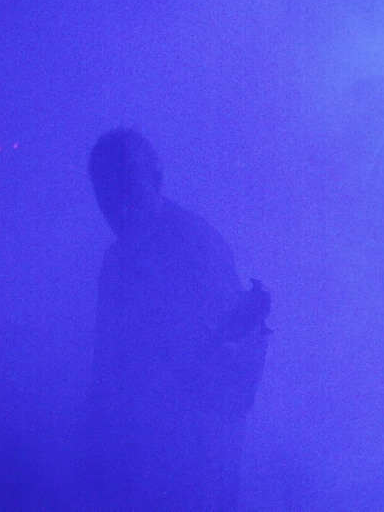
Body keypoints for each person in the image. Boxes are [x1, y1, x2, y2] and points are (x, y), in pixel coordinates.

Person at [85, 128, 270, 510]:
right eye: (106, 196)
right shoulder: (116, 261)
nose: (119, 210)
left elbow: (237, 368)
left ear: (157, 180)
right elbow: (108, 361)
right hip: (139, 462)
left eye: (128, 191)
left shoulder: (198, 247)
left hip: (194, 463)